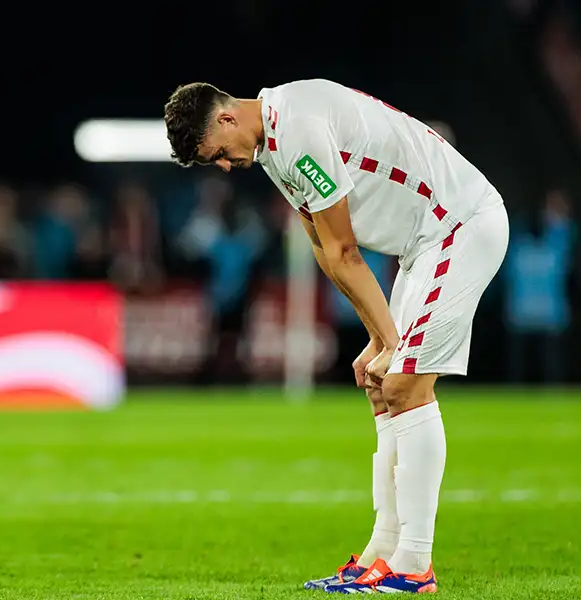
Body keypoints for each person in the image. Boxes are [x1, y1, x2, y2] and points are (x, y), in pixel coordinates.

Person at [163, 79, 509, 594]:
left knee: (407, 386)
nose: (223, 166)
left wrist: (389, 341)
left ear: (227, 118)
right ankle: (382, 552)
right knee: (381, 384)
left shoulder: (298, 127)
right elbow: (325, 251)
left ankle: (414, 565)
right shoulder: (274, 148)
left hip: (458, 227)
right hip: (423, 246)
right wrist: (377, 339)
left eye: (216, 154)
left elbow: (345, 249)